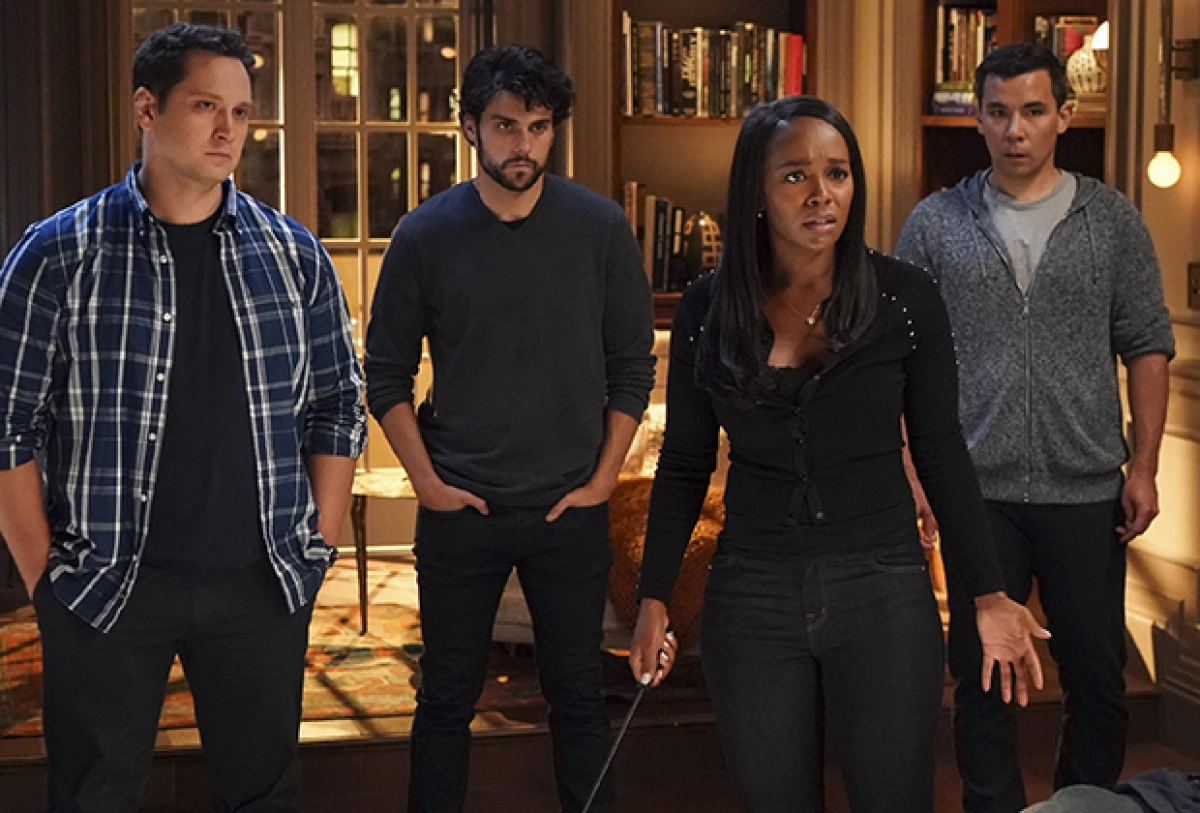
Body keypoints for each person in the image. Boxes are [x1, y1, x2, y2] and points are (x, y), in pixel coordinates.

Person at [628, 94, 1049, 813]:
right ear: (756, 193)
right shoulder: (707, 307)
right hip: (751, 593)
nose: (822, 194)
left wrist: (987, 593)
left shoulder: (906, 298)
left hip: (883, 588)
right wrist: (654, 597)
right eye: (795, 175)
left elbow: (941, 451)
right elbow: (685, 464)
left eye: (838, 173)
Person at [0, 22, 366, 811]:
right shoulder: (58, 254)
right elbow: (6, 423)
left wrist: (318, 544)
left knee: (264, 796)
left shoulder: (293, 254)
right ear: (146, 108)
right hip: (105, 582)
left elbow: (338, 404)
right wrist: (45, 581)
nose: (228, 129)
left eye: (240, 111)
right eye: (205, 105)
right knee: (93, 796)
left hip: (261, 583)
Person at [364, 44, 655, 813]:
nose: (523, 144)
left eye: (539, 126)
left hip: (569, 508)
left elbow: (633, 366)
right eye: (505, 126)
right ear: (469, 127)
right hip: (461, 506)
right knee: (444, 699)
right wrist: (427, 483)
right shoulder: (424, 234)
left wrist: (602, 480)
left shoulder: (600, 228)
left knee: (579, 699)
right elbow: (385, 372)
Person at [895, 42, 1175, 813]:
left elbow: (1148, 344)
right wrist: (913, 467)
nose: (1015, 129)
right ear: (978, 119)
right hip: (974, 491)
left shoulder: (1111, 221)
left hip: (1085, 490)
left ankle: (1079, 807)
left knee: (1097, 678)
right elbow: (897, 357)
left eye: (1032, 111)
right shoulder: (935, 224)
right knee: (983, 678)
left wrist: (1145, 467)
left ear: (1064, 116)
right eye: (998, 113)